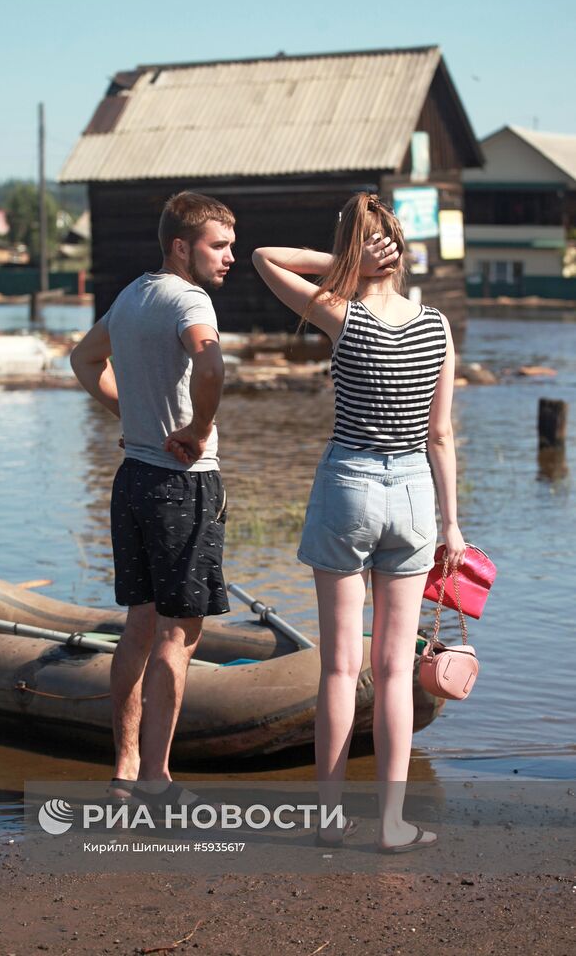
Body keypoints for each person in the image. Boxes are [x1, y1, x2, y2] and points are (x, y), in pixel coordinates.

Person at [252, 192, 465, 852]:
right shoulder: (437, 326)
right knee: (395, 671)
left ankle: (328, 819)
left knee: (341, 669)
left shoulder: (338, 313)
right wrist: (453, 527)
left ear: (353, 250)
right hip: (412, 495)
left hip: (348, 486)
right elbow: (441, 435)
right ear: (399, 248)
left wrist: (342, 264)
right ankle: (394, 824)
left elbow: (263, 258)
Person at [70, 191, 235, 807]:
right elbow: (211, 368)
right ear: (180, 246)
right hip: (182, 485)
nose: (228, 259)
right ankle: (158, 782)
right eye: (217, 247)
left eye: (230, 247)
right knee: (177, 636)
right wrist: (195, 431)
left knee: (138, 626)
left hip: (132, 479)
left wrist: (129, 410)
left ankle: (125, 769)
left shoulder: (133, 294)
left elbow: (84, 359)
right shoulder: (190, 301)